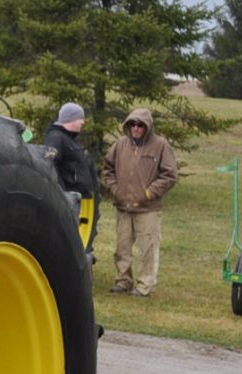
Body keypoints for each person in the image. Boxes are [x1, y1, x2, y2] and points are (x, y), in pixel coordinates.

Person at [101, 107, 177, 296]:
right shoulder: (120, 144)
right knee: (122, 248)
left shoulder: (160, 145)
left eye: (140, 125)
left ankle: (145, 286)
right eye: (133, 124)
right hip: (123, 206)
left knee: (148, 249)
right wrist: (115, 190)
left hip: (148, 209)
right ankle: (123, 281)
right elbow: (107, 169)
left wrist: (149, 193)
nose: (136, 128)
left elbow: (170, 175)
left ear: (148, 127)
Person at [43, 102, 96, 199]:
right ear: (71, 119)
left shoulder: (71, 139)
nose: (83, 122)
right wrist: (62, 193)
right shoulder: (56, 138)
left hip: (78, 199)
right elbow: (49, 165)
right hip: (67, 200)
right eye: (80, 118)